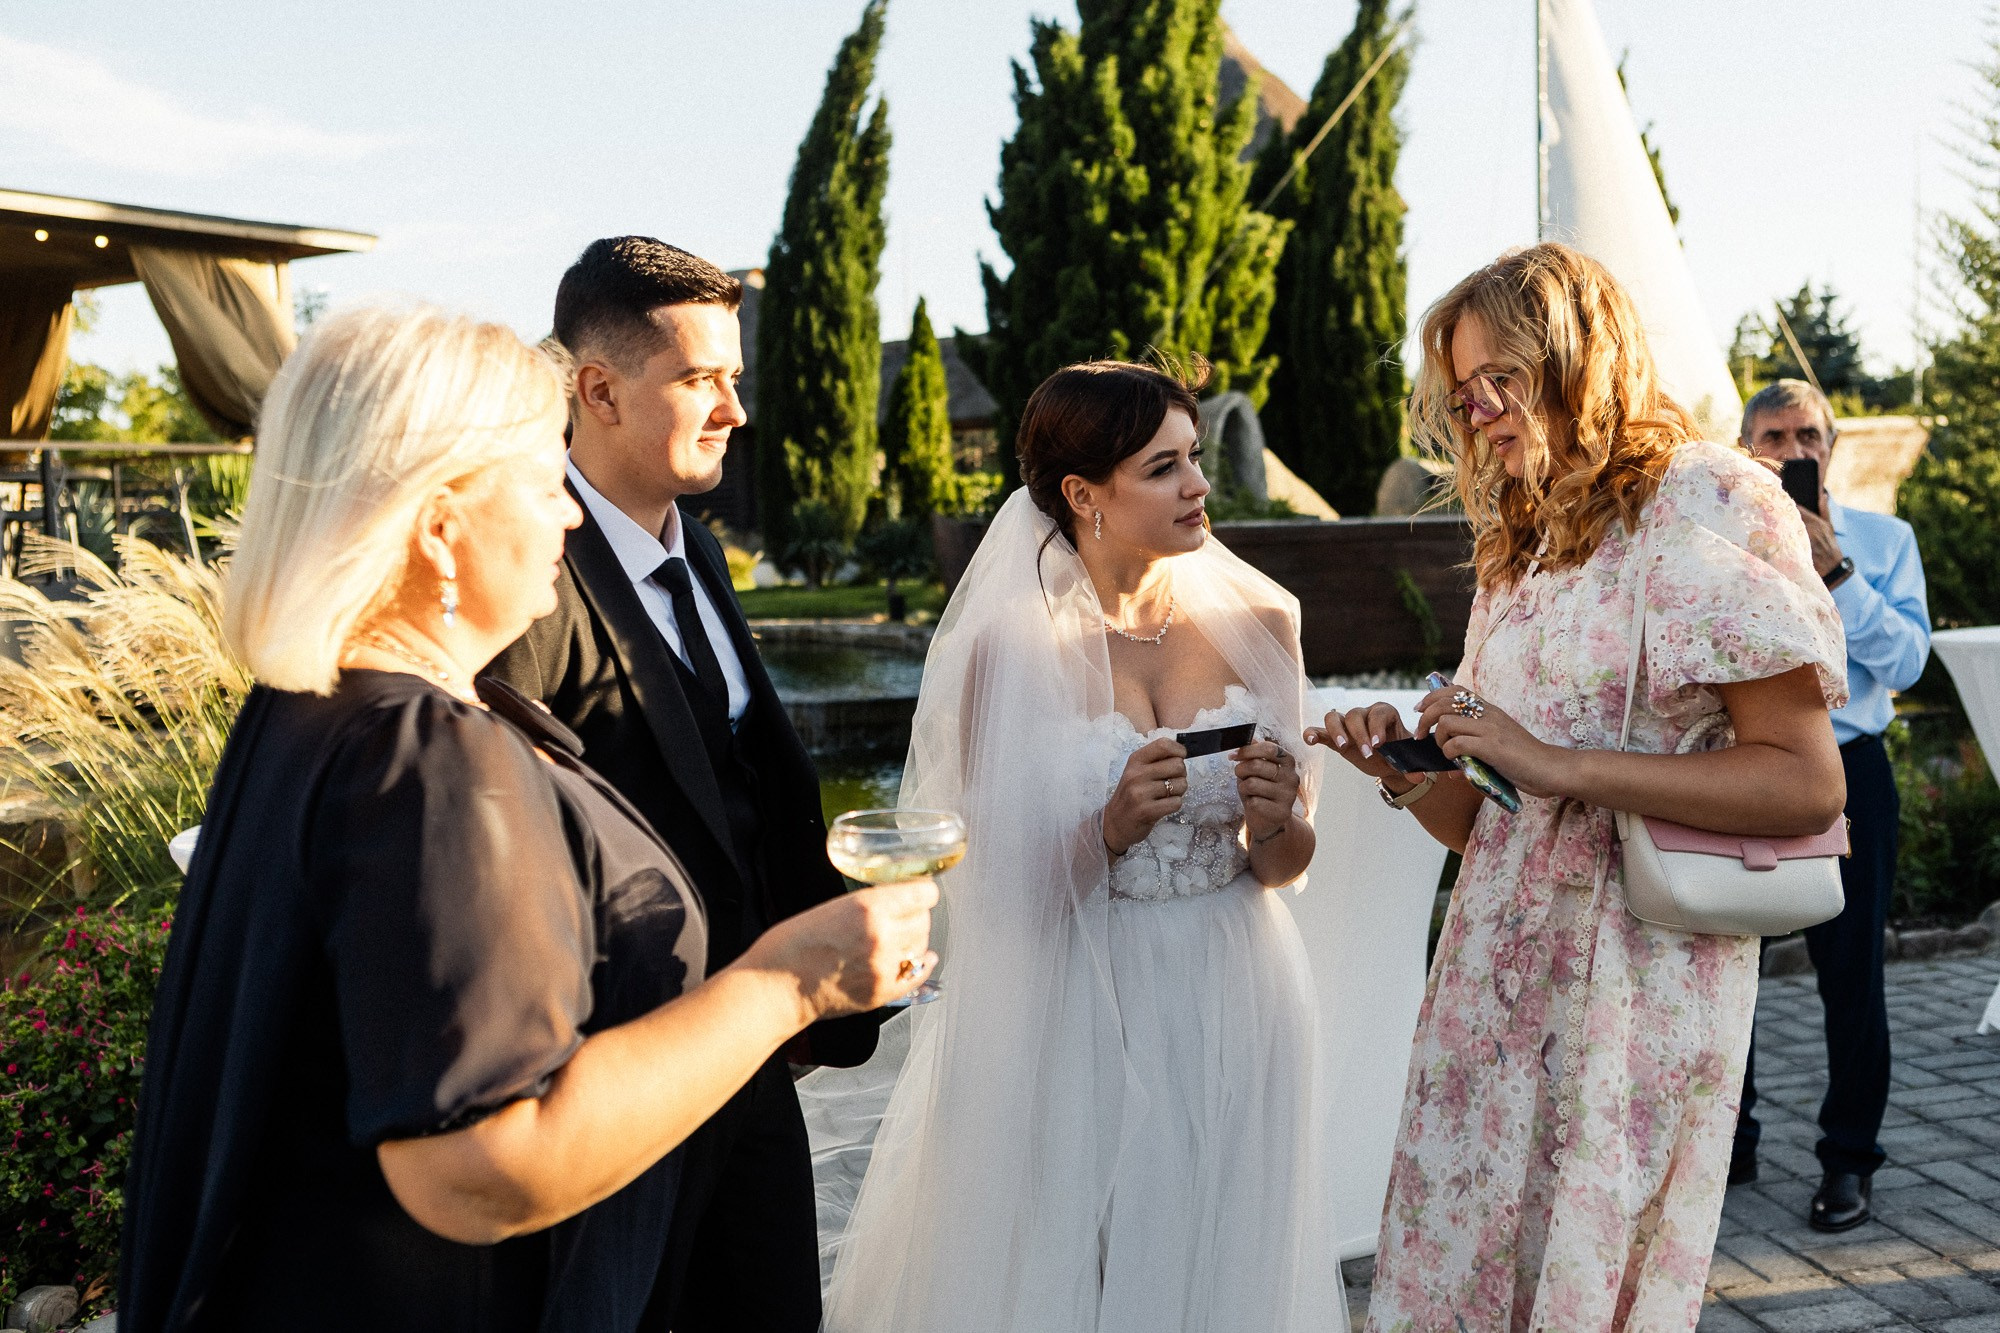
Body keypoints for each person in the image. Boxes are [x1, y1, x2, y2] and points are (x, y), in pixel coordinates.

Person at [117, 307, 936, 1333]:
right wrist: (789, 980)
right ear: (439, 523)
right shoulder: (425, 759)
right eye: (546, 480)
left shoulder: (303, 710)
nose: (572, 517)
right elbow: (480, 1168)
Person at [1317, 244, 1849, 1332]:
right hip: (1488, 987)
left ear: (1578, 358)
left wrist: (1558, 765)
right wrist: (1409, 772)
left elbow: (1806, 784)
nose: (1477, 411)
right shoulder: (1518, 544)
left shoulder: (1708, 500)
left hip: (1635, 992)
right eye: (1461, 392)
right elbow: (1489, 823)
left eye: (1498, 379)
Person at [805, 359, 1345, 1332]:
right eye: (1162, 467)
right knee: (1079, 1270)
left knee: (1221, 1255)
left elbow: (1282, 866)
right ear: (1083, 494)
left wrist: (1275, 820)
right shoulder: (1006, 655)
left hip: (1233, 984)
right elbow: (996, 898)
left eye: (1192, 458)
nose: (1197, 484)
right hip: (1079, 1005)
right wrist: (1108, 827)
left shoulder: (1263, 625)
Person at [482, 236, 872, 1331]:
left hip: (750, 1062)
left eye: (733, 378)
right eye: (701, 378)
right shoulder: (521, 572)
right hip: (617, 1090)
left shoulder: (696, 553)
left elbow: (747, 786)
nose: (734, 411)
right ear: (598, 390)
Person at [1734, 378, 1932, 1230]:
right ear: (1747, 451)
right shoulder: (1721, 541)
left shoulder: (1885, 541)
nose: (1793, 451)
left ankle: (1849, 1158)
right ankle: (1729, 1142)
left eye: (1807, 435)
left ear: (1832, 447)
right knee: (1726, 963)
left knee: (1852, 976)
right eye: (1774, 437)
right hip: (1744, 770)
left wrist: (1836, 571)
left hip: (1851, 769)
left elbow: (1909, 662)